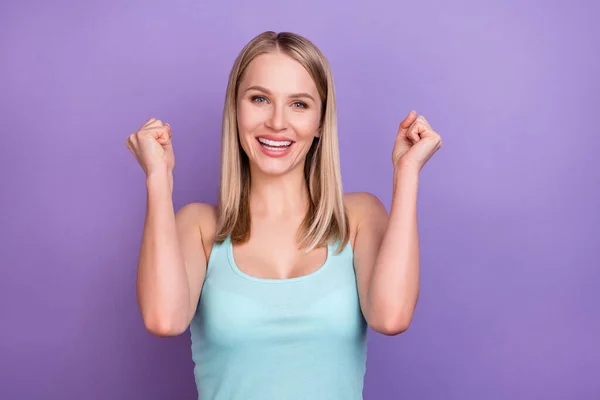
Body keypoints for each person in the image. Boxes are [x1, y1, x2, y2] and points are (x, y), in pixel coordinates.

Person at [125, 31, 442, 400]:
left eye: (299, 104)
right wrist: (158, 177)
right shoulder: (198, 226)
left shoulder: (358, 217)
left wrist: (406, 174)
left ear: (321, 121)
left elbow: (392, 318)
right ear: (235, 109)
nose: (277, 122)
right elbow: (164, 319)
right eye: (260, 99)